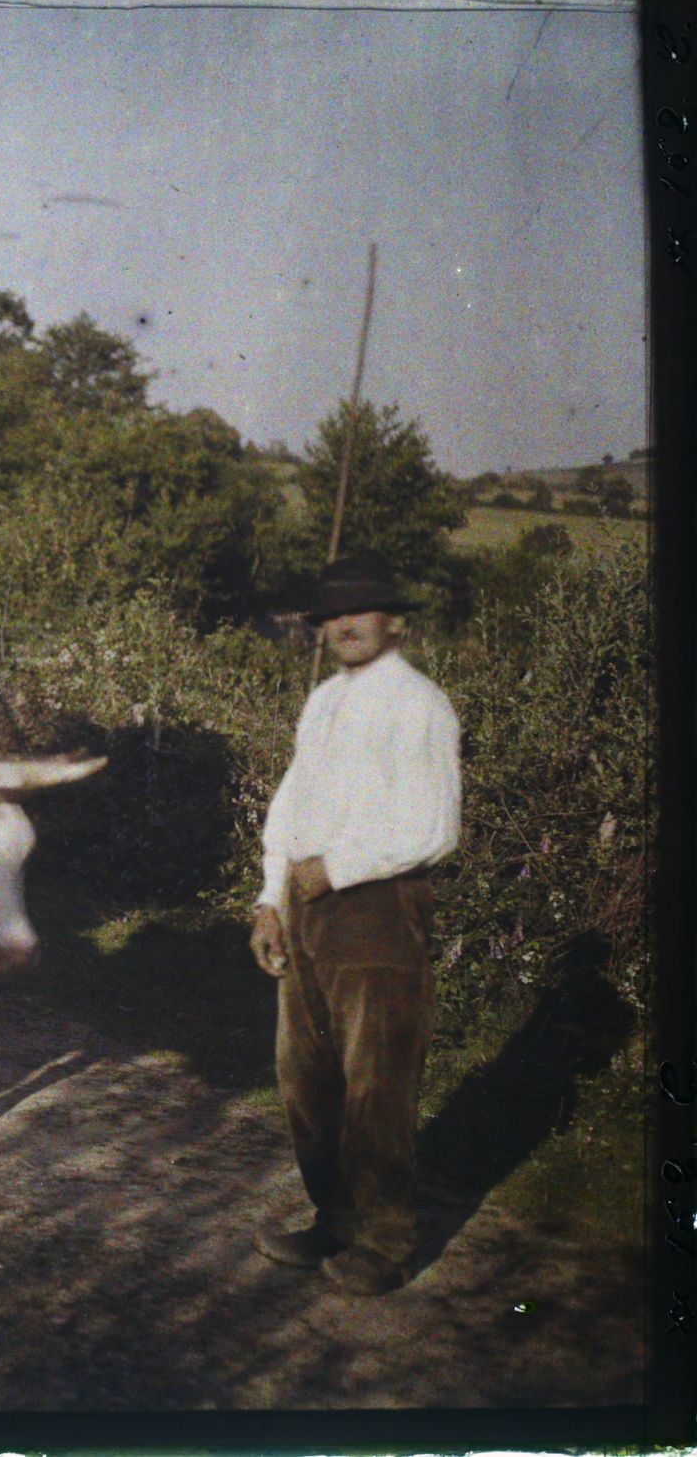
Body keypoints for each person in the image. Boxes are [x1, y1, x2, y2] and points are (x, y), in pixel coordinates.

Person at [250, 550, 462, 1296]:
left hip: (378, 907)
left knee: (376, 1079)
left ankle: (385, 1240)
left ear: (393, 620)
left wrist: (335, 869)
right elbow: (289, 804)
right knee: (305, 1075)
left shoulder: (419, 705)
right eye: (332, 613)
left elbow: (435, 828)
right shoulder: (324, 702)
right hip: (307, 905)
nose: (344, 623)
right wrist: (271, 896)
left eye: (360, 609)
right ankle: (334, 1219)